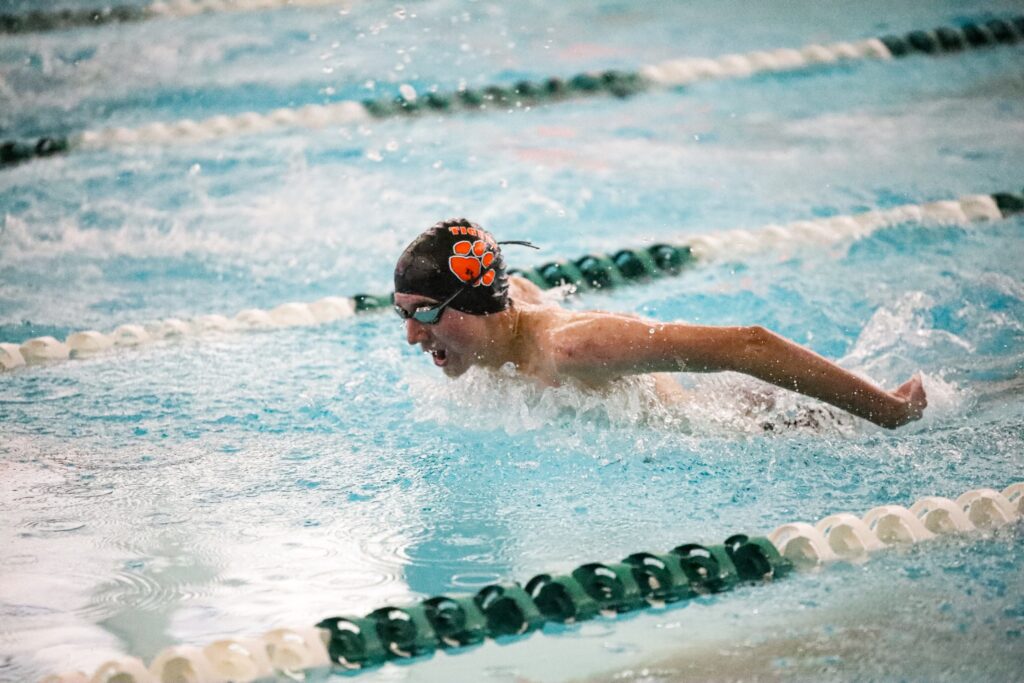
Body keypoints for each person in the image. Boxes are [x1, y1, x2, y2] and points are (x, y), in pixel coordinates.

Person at [393, 218, 927, 429]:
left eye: (426, 313)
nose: (413, 335)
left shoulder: (573, 349)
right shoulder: (498, 321)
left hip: (736, 434)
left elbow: (747, 345)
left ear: (479, 304)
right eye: (404, 313)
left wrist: (888, 410)